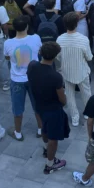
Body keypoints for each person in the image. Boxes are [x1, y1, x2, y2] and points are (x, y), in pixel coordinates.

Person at [27, 41, 68, 175]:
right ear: (55, 56)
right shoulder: (56, 77)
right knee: (53, 139)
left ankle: (46, 150)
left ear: (40, 53)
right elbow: (62, 100)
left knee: (44, 128)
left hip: (39, 105)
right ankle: (50, 165)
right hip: (53, 109)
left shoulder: (32, 66)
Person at [4, 15, 43, 141]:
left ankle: (18, 132)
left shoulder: (8, 43)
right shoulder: (36, 38)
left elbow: (7, 57)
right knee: (37, 105)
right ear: (27, 26)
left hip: (17, 80)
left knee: (17, 107)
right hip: (34, 78)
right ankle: (40, 129)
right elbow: (40, 51)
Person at [57, 12, 93, 126]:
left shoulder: (59, 39)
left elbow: (58, 57)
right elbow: (89, 57)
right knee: (86, 93)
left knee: (69, 96)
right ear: (76, 24)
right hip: (82, 71)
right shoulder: (84, 39)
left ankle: (74, 118)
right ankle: (88, 113)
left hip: (67, 72)